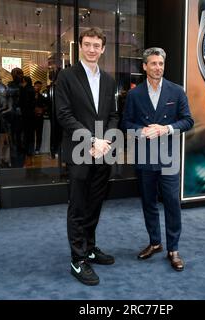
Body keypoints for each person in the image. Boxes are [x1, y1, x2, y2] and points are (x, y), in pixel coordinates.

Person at [56, 27, 119, 286]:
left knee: (95, 204)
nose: (92, 49)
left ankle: (90, 248)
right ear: (80, 46)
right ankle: (78, 259)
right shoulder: (66, 76)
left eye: (97, 45)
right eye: (88, 44)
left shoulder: (109, 79)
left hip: (102, 151)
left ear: (103, 49)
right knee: (78, 206)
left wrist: (105, 143)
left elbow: (114, 115)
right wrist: (91, 140)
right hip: (79, 150)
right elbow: (64, 114)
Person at [121, 47, 194, 271]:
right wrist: (142, 131)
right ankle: (155, 243)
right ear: (144, 66)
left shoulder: (177, 91)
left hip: (169, 156)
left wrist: (166, 129)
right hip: (144, 156)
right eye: (153, 63)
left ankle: (173, 249)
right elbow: (125, 124)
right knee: (148, 202)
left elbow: (188, 121)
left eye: (161, 64)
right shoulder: (134, 94)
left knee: (172, 203)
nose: (157, 68)